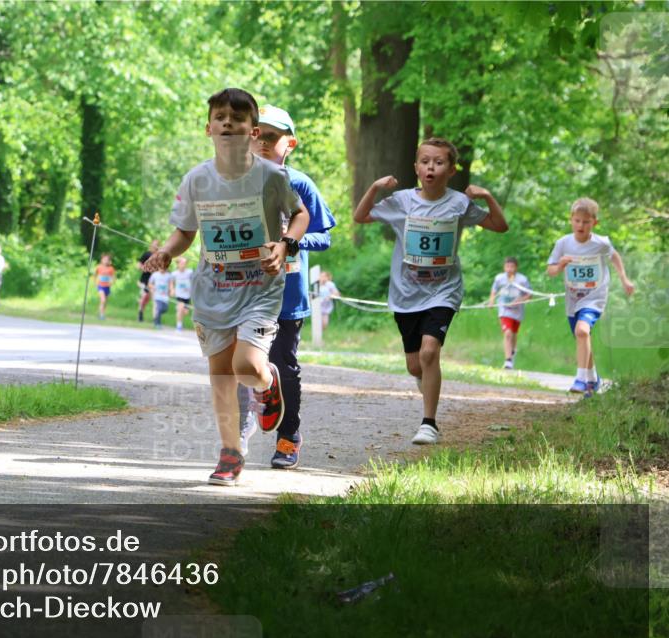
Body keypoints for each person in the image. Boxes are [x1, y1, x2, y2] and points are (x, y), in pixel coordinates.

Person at [143, 87, 309, 486]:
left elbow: (299, 215)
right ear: (208, 128)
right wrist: (166, 252)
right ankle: (230, 453)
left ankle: (267, 384)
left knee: (246, 366)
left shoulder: (270, 176)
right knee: (220, 374)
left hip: (261, 286)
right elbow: (185, 231)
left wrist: (286, 243)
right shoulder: (198, 180)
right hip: (214, 289)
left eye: (238, 117)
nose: (228, 123)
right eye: (221, 117)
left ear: (253, 131)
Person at [353, 137, 508, 446]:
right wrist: (374, 187)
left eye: (439, 162)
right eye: (425, 161)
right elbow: (361, 217)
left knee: (429, 352)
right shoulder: (401, 202)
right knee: (415, 365)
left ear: (451, 170)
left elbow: (499, 225)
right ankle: (428, 384)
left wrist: (488, 195)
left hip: (444, 291)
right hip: (406, 293)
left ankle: (429, 423)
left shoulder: (459, 203)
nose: (431, 167)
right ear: (416, 167)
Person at [239, 105, 336, 470]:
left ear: (289, 143)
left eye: (271, 137)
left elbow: (323, 237)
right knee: (241, 363)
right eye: (256, 135)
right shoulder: (234, 182)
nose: (262, 143)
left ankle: (288, 435)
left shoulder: (300, 184)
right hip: (245, 291)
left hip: (287, 295)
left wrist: (293, 242)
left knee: (283, 364)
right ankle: (241, 427)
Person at [547, 198, 634, 396]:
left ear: (595, 223)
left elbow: (615, 257)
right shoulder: (563, 243)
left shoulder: (601, 243)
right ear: (571, 220)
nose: (581, 225)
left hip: (595, 296)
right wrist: (560, 265)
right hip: (573, 299)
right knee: (581, 337)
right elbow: (551, 271)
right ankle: (593, 380)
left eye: (586, 222)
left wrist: (624, 279)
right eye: (577, 221)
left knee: (582, 331)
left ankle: (580, 379)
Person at [488, 257, 531, 369]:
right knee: (507, 333)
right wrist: (491, 301)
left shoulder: (522, 279)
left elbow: (529, 294)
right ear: (504, 267)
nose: (509, 269)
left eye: (512, 266)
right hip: (504, 310)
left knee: (514, 334)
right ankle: (508, 360)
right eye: (507, 266)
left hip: (517, 311)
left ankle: (512, 351)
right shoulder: (499, 278)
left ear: (516, 267)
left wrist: (519, 300)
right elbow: (494, 291)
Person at [137, 239, 160, 322]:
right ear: (151, 245)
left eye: (157, 244)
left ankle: (155, 319)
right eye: (154, 244)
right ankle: (140, 313)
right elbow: (138, 265)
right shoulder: (147, 254)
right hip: (145, 280)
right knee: (144, 297)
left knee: (153, 299)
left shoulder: (159, 256)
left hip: (154, 281)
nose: (155, 246)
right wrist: (147, 269)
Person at [170, 257, 194, 331]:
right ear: (178, 264)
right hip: (179, 294)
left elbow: (194, 281)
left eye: (184, 263)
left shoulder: (190, 272)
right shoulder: (174, 274)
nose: (183, 265)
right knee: (181, 307)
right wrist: (172, 289)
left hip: (188, 295)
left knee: (185, 312)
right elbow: (171, 282)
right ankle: (179, 326)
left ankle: (180, 311)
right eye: (181, 263)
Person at [94, 253, 116, 320]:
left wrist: (112, 282)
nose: (105, 261)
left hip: (107, 286)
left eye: (107, 260)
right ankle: (101, 315)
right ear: (102, 260)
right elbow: (95, 275)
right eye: (104, 259)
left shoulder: (111, 268)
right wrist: (95, 283)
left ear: (109, 261)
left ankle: (101, 313)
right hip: (100, 286)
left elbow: (113, 277)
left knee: (104, 301)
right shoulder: (99, 267)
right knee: (103, 300)